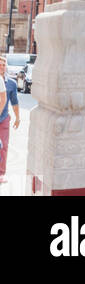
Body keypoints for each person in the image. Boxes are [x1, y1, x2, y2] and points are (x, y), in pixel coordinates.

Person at [0, 54, 21, 186]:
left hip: (3, 119)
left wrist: (18, 117)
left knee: (3, 147)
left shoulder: (11, 83)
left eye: (3, 65)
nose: (1, 67)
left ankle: (1, 173)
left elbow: (14, 102)